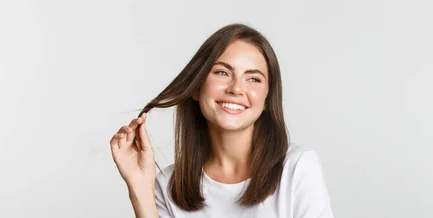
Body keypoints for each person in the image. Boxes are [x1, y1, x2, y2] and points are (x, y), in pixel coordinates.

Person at [109, 23, 333, 218]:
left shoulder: (298, 168)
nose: (236, 88)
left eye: (253, 78)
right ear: (197, 86)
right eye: (222, 73)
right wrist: (139, 187)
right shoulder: (168, 185)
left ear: (266, 99)